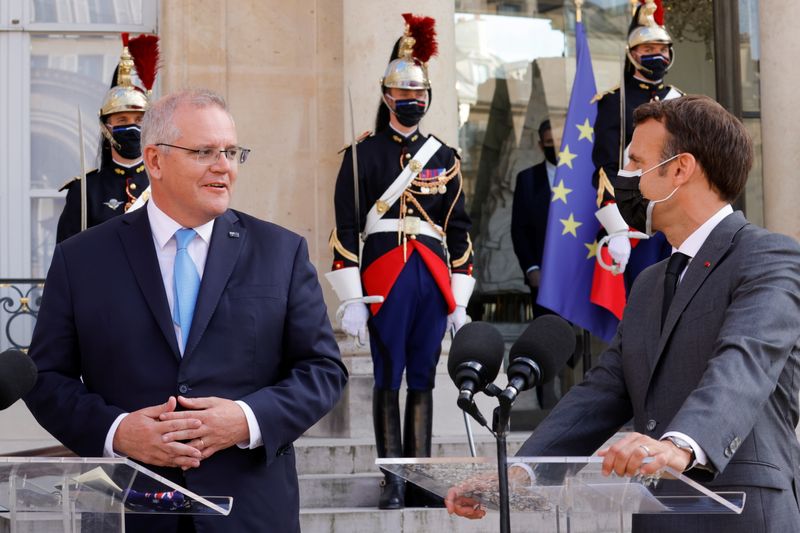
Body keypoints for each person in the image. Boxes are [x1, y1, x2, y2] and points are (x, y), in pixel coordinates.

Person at [447, 95, 800, 532]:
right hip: (657, 513)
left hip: (741, 512)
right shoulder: (651, 282)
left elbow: (744, 363)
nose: (623, 177)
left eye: (635, 162)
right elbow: (606, 388)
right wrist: (521, 472)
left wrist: (680, 446)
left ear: (679, 169)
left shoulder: (768, 256)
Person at [24, 89, 348, 532]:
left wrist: (246, 419)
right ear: (154, 161)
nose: (224, 166)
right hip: (129, 510)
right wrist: (117, 431)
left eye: (232, 152)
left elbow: (322, 371)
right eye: (204, 152)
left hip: (249, 512)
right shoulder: (81, 259)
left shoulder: (281, 252)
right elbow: (45, 378)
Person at [326, 13, 474, 510]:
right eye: (402, 93)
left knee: (425, 376)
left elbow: (459, 230)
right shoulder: (360, 156)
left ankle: (422, 478)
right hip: (384, 274)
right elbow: (345, 231)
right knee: (389, 375)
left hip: (431, 277)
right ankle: (393, 479)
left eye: (419, 93)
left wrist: (460, 294)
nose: (412, 101)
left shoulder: (445, 156)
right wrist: (351, 298)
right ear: (386, 96)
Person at [593, 0, 682, 283]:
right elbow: (606, 166)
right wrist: (617, 228)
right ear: (632, 54)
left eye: (661, 50)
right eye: (647, 50)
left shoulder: (679, 100)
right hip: (634, 216)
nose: (656, 55)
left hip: (677, 213)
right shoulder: (613, 102)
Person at [57, 33, 158, 242]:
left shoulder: (164, 183)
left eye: (139, 120)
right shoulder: (85, 189)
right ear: (106, 127)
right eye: (122, 120)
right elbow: (66, 259)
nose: (131, 126)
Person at [510, 120, 555, 319]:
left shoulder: (582, 179)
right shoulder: (527, 179)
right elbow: (519, 229)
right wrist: (531, 268)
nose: (555, 146)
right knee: (545, 333)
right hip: (542, 276)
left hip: (576, 273)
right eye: (549, 142)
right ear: (540, 145)